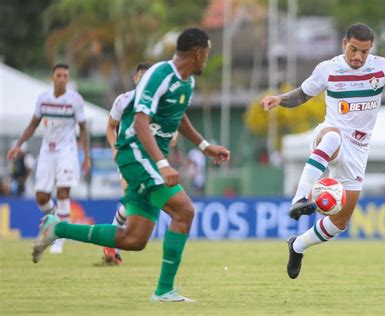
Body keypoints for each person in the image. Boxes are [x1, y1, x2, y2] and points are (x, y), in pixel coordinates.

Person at [32, 28, 231, 302]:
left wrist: (206, 147)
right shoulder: (160, 75)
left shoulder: (187, 82)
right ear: (198, 53)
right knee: (184, 212)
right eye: (206, 55)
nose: (206, 60)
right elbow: (139, 121)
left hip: (149, 158)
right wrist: (162, 164)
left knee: (133, 240)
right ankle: (164, 291)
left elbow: (178, 116)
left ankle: (57, 227)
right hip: (136, 153)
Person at [260, 23, 385, 279]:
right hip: (331, 135)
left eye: (364, 52)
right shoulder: (328, 68)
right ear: (344, 43)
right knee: (332, 137)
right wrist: (279, 99)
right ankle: (299, 198)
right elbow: (303, 95)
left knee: (339, 223)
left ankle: (298, 245)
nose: (358, 56)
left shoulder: (382, 67)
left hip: (359, 149)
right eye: (354, 49)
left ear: (371, 50)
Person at [7, 63, 90, 254]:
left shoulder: (75, 100)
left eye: (65, 76)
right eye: (59, 75)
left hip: (67, 151)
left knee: (63, 192)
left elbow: (84, 129)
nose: (62, 79)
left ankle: (59, 239)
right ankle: (53, 222)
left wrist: (86, 156)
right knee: (41, 196)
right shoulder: (43, 99)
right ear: (52, 78)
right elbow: (33, 124)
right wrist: (18, 145)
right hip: (47, 151)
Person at [102, 62, 151, 265]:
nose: (145, 80)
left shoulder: (156, 103)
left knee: (134, 204)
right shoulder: (123, 100)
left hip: (149, 161)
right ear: (135, 78)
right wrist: (114, 147)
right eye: (142, 76)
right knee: (131, 200)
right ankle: (111, 247)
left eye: (149, 76)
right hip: (128, 158)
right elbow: (110, 127)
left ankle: (110, 245)